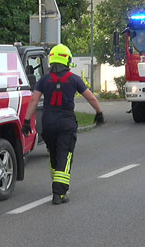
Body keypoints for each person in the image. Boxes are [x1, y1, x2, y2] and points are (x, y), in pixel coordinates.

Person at [22, 44, 104, 205]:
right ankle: (59, 193)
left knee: (54, 155)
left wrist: (26, 121)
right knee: (65, 156)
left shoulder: (44, 79)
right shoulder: (73, 79)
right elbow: (91, 98)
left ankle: (57, 184)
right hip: (66, 123)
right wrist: (99, 113)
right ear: (67, 60)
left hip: (48, 124)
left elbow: (34, 100)